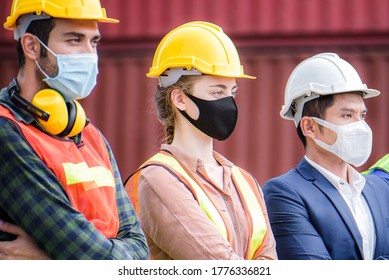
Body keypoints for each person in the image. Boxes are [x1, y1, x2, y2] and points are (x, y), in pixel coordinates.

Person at [0, 0, 149, 260]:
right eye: (74, 40)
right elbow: (89, 257)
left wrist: (50, 263)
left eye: (94, 42)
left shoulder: (90, 134)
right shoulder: (6, 131)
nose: (89, 55)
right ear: (32, 46)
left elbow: (139, 247)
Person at [124, 21, 277, 260]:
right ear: (180, 99)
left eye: (232, 92)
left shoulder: (245, 181)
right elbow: (217, 265)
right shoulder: (159, 179)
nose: (229, 103)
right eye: (217, 92)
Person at [262, 52, 389, 260]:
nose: (360, 126)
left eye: (362, 115)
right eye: (347, 115)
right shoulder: (284, 193)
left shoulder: (380, 188)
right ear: (310, 126)